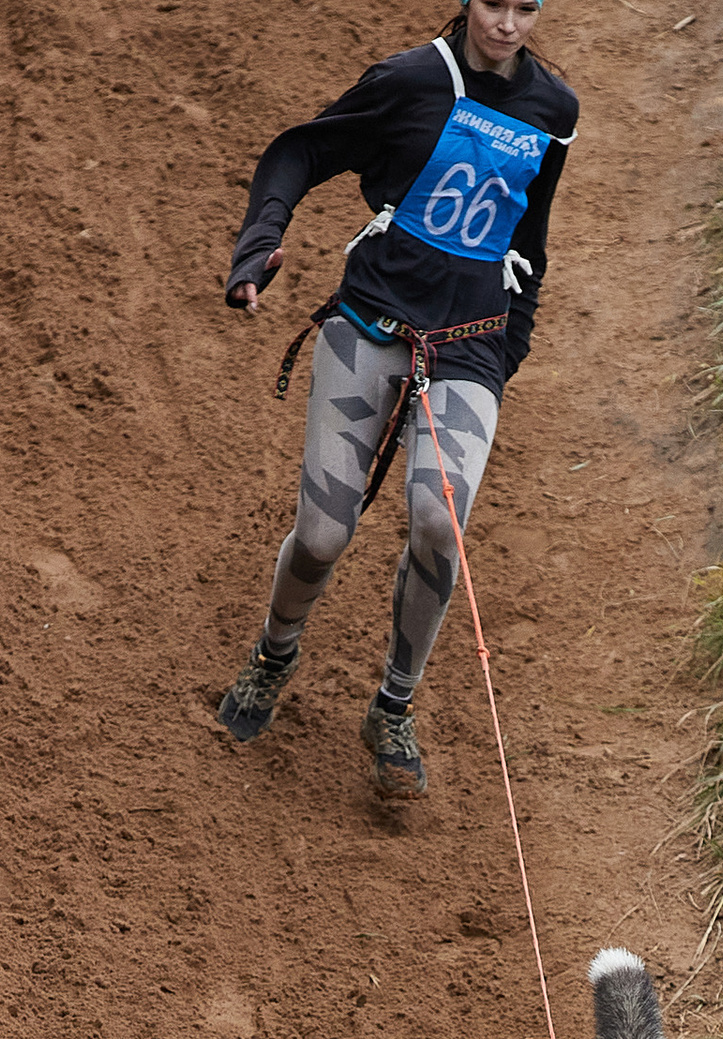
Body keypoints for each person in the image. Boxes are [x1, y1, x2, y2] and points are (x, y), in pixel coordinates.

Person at [218, 0, 576, 800]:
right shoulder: (409, 80)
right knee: (320, 533)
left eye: (527, 8)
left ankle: (393, 708)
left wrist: (506, 349)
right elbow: (297, 154)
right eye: (495, 3)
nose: (508, 24)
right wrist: (257, 247)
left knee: (438, 523)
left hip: (473, 342)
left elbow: (530, 239)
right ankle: (276, 654)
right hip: (371, 320)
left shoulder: (553, 109)